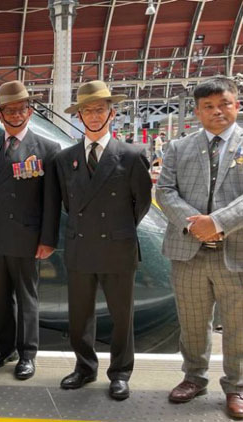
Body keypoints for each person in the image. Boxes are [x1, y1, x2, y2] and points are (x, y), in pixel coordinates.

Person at [53, 80, 152, 400]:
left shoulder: (132, 155)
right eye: (87, 110)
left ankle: (120, 373)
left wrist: (118, 228)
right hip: (81, 245)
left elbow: (141, 203)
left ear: (112, 113)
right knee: (79, 315)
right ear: (79, 115)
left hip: (118, 246)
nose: (94, 115)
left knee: (122, 316)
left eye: (100, 109)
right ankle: (84, 367)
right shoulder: (65, 158)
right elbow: (68, 203)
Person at [155, 76, 243, 418]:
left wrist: (217, 223)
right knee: (192, 322)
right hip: (188, 252)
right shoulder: (178, 148)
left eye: (224, 104)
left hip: (235, 251)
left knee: (237, 324)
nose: (217, 111)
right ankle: (194, 378)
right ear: (197, 111)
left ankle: (236, 387)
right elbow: (165, 191)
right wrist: (195, 225)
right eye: (208, 106)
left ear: (236, 105)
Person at [0, 81, 61, 380]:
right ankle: (5, 348)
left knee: (27, 298)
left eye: (21, 109)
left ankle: (27, 354)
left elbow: (52, 201)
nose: (16, 115)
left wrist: (48, 239)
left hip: (28, 238)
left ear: (30, 111)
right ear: (0, 115)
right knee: (0, 297)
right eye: (9, 111)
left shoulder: (47, 149)